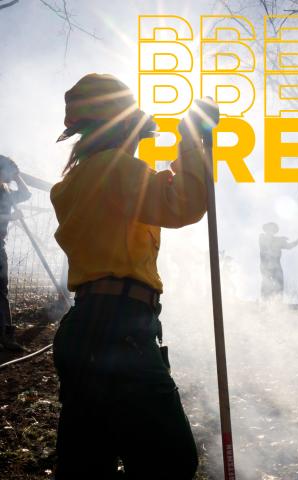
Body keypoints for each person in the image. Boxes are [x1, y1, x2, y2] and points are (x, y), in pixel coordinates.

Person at [51, 73, 216, 479]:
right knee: (170, 460)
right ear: (120, 126)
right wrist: (193, 141)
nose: (141, 141)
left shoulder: (72, 183)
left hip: (87, 325)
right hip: (118, 326)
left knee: (89, 463)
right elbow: (187, 204)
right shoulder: (114, 169)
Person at [0, 155, 31, 351]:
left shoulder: (6, 191)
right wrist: (10, 216)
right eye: (8, 172)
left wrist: (17, 175)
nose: (10, 177)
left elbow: (26, 194)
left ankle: (6, 336)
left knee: (2, 289)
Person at [259, 222, 298, 301]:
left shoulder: (278, 240)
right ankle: (264, 302)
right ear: (266, 230)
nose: (271, 231)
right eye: (269, 229)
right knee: (266, 283)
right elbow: (268, 241)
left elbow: (289, 246)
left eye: (273, 229)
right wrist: (280, 239)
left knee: (279, 283)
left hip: (276, 265)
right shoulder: (262, 237)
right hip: (265, 265)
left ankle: (278, 303)